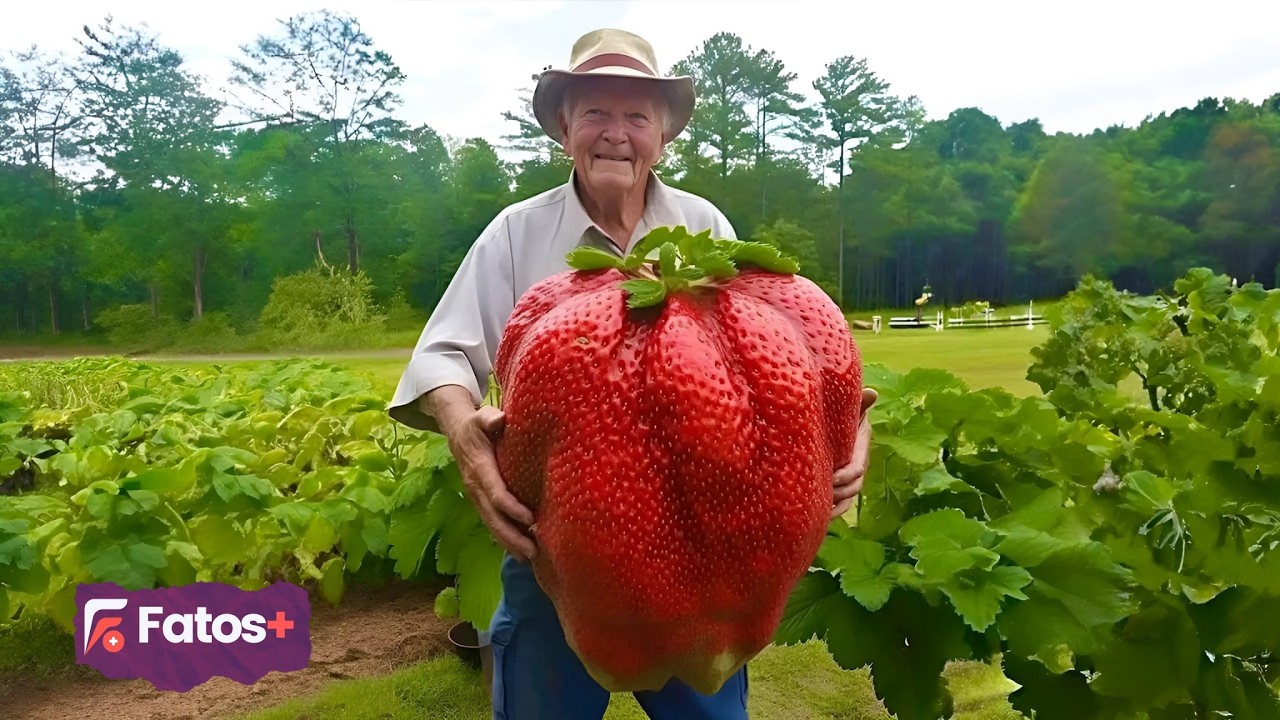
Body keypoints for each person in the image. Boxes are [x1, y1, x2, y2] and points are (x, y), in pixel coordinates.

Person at [388, 27, 878, 720]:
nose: (615, 133)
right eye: (594, 113)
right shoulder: (515, 232)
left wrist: (848, 428)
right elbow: (442, 354)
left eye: (636, 116)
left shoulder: (705, 229)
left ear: (663, 135)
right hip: (554, 547)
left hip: (703, 553)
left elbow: (784, 350)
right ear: (564, 130)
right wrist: (463, 431)